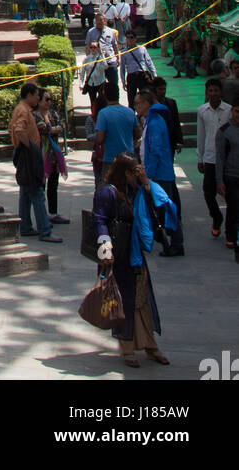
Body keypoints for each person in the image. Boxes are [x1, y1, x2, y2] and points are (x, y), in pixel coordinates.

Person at [93, 153, 175, 367]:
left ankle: (150, 344)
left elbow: (155, 204)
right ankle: (127, 346)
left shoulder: (134, 190)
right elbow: (99, 220)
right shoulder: (107, 193)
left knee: (141, 298)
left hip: (134, 251)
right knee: (125, 300)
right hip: (117, 252)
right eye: (133, 173)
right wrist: (105, 248)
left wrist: (146, 182)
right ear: (125, 173)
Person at [9, 82, 61, 243]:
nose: (38, 98)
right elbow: (18, 130)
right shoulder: (23, 110)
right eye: (37, 95)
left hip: (25, 152)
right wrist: (31, 147)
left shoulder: (22, 109)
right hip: (28, 154)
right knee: (37, 192)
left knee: (26, 192)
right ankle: (45, 230)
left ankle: (25, 225)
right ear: (29, 95)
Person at [134, 90, 184, 256]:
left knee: (165, 208)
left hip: (159, 174)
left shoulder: (155, 122)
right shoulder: (151, 121)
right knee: (160, 208)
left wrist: (149, 174)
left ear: (146, 104)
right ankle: (168, 241)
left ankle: (175, 243)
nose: (136, 106)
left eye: (138, 103)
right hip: (157, 172)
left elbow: (155, 150)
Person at [197, 77, 232, 236]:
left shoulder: (229, 111)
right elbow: (201, 135)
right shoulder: (202, 111)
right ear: (207, 92)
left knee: (230, 195)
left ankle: (231, 229)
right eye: (210, 91)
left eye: (216, 90)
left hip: (227, 160)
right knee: (208, 192)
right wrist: (200, 158)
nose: (213, 93)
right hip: (210, 159)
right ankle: (216, 218)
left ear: (221, 92)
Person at [36, 90, 68, 224]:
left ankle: (53, 213)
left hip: (54, 154)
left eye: (50, 99)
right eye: (46, 99)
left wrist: (52, 129)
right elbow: (44, 129)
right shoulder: (35, 115)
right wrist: (52, 128)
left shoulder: (53, 113)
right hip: (41, 154)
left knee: (53, 184)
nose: (49, 102)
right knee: (41, 186)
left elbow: (62, 126)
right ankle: (43, 216)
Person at [94, 81, 141, 168]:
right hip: (129, 158)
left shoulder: (103, 113)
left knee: (109, 181)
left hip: (110, 159)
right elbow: (138, 134)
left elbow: (99, 138)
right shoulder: (130, 112)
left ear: (105, 96)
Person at [215, 100, 239, 260]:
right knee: (234, 206)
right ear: (232, 112)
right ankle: (231, 236)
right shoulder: (224, 131)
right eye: (237, 111)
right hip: (231, 176)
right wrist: (219, 180)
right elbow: (220, 157)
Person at [121, 28, 156, 107]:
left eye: (132, 37)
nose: (130, 40)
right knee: (131, 99)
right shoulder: (123, 52)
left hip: (142, 75)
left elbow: (149, 62)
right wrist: (123, 81)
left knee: (145, 98)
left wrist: (154, 75)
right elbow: (122, 67)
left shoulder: (142, 48)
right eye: (128, 37)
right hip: (131, 76)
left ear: (135, 38)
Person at [86, 11, 120, 90]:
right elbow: (87, 46)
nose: (99, 22)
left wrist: (118, 58)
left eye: (101, 20)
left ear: (105, 21)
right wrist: (89, 59)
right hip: (98, 63)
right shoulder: (91, 32)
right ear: (95, 21)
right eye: (97, 20)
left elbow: (115, 45)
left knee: (114, 84)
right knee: (100, 86)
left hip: (110, 61)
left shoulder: (111, 31)